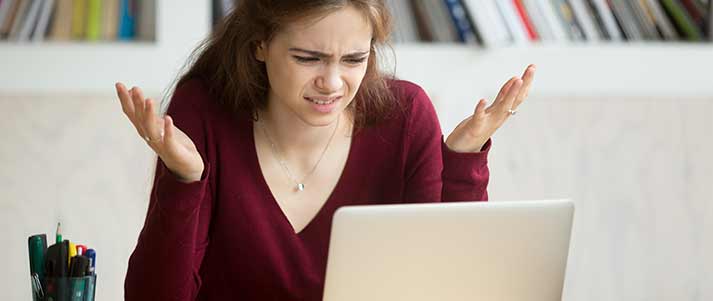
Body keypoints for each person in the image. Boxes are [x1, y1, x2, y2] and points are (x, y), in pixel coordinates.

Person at [116, 0, 534, 300]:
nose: (333, 83)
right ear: (260, 45)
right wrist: (185, 179)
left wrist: (463, 160)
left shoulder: (405, 116)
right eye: (308, 58)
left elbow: (451, 287)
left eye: (354, 59)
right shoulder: (203, 110)